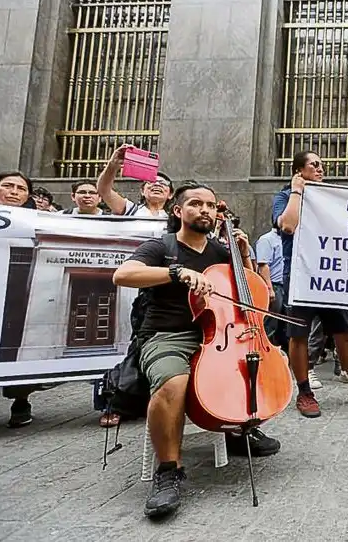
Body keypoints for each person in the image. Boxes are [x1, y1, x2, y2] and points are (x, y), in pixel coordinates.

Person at [111, 181, 281, 518]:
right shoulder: (162, 247)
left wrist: (243, 254)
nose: (205, 210)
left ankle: (236, 428)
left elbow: (248, 294)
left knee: (249, 369)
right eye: (196, 204)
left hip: (220, 333)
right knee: (173, 383)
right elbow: (122, 274)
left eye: (210, 205)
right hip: (168, 334)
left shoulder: (220, 251)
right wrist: (177, 273)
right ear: (178, 211)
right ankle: (168, 471)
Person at [273, 151, 348, 417]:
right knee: (299, 335)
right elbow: (288, 226)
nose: (320, 168)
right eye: (314, 165)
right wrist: (296, 191)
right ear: (298, 170)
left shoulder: (327, 198)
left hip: (330, 278)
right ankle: (304, 392)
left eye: (322, 165)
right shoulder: (284, 196)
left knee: (344, 333)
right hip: (301, 278)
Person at [0, 171, 42, 427]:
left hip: (19, 291)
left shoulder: (41, 221)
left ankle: (20, 400)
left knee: (18, 343)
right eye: (8, 186)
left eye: (21, 188)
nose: (14, 192)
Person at [97, 144, 173, 217]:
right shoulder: (130, 210)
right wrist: (112, 165)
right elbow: (104, 190)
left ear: (170, 194)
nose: (157, 184)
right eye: (151, 182)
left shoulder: (176, 217)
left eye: (163, 183)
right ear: (142, 191)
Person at [254, 227, 287, 349]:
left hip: (286, 286)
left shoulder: (287, 240)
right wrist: (269, 288)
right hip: (273, 285)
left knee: (285, 327)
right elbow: (263, 265)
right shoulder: (266, 240)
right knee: (270, 324)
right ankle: (262, 350)